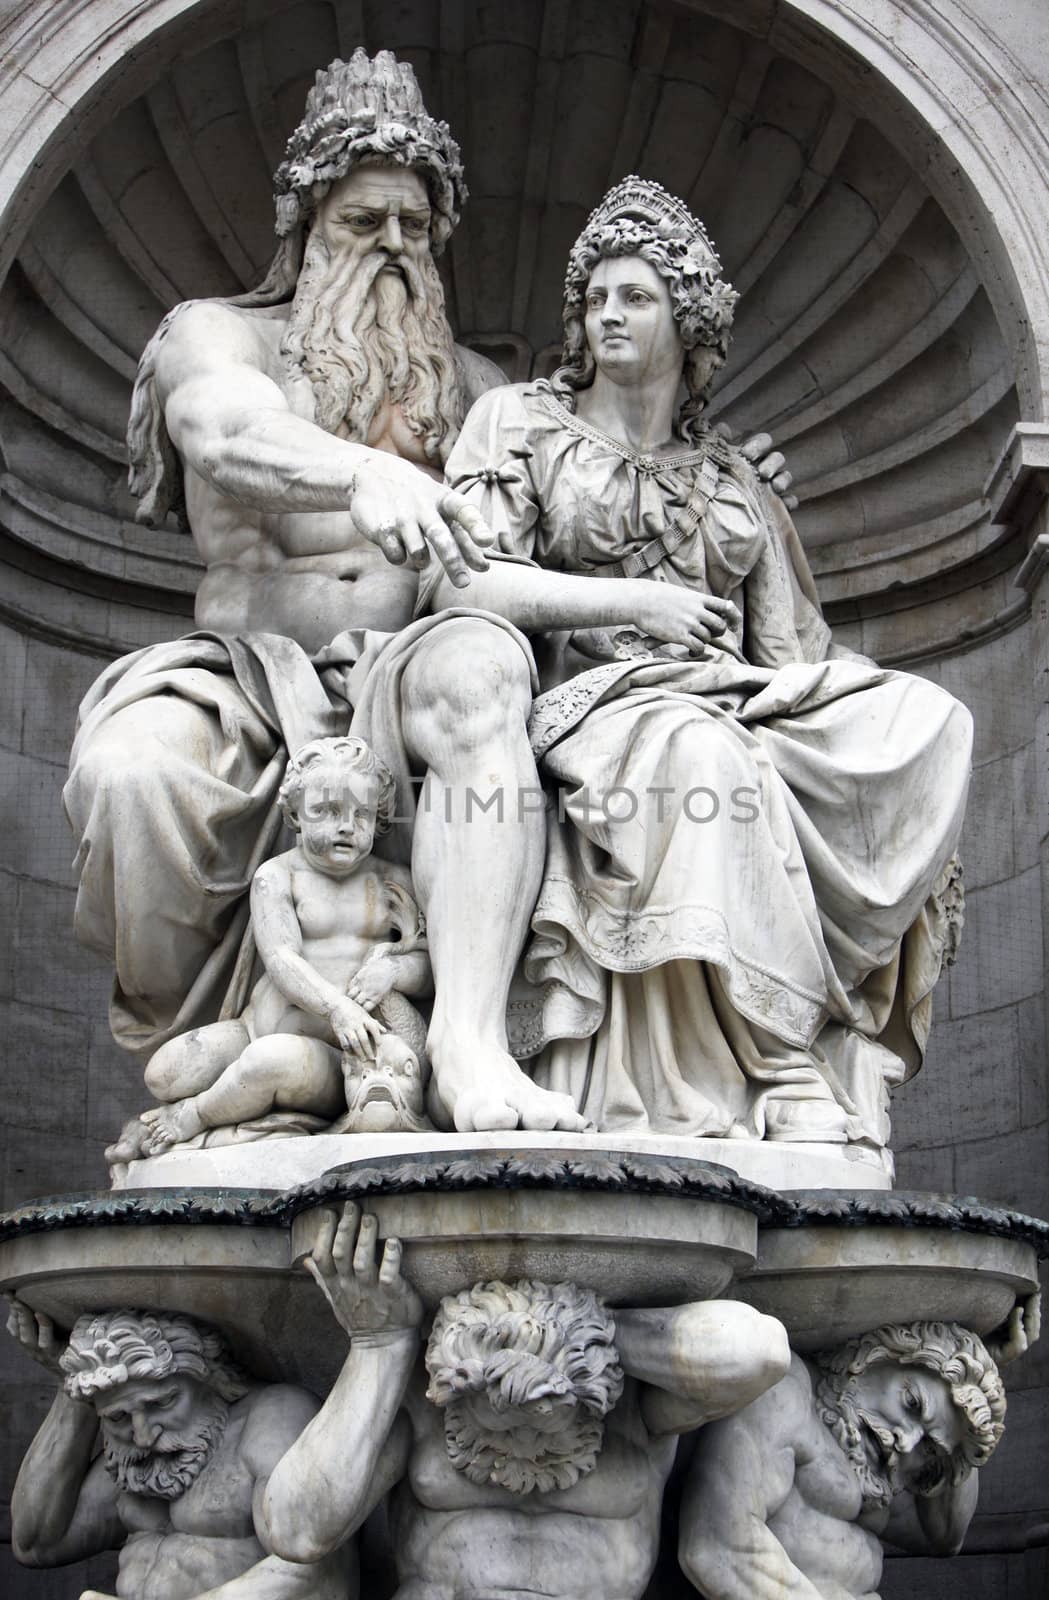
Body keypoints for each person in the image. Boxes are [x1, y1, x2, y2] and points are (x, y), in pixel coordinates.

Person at [65, 52, 790, 1139]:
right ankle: (223, 1030)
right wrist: (362, 470)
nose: (394, 248)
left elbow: (610, 464)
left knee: (479, 658)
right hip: (248, 675)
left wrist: (725, 468)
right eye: (364, 222)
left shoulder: (484, 391)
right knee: (131, 773)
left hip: (407, 683)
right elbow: (219, 430)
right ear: (304, 224)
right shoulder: (218, 337)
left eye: (415, 226)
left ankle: (465, 1044)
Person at [377, 175, 974, 1150]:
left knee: (924, 719)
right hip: (586, 700)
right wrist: (639, 601)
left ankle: (832, 1038)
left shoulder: (733, 483)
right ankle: (777, 1065)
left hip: (726, 695)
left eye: (634, 296)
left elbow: (789, 654)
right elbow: (466, 584)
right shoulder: (520, 425)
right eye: (594, 297)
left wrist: (808, 698)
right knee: (704, 755)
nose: (606, 314)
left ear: (684, 319)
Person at [260, 1203, 791, 1600]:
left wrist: (584, 1344)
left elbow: (758, 1354)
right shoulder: (425, 1409)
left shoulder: (632, 1408)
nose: (523, 1449)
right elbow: (296, 1530)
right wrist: (379, 1347)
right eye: (499, 1429)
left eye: (541, 1427)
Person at [133, 735, 431, 1155]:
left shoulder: (394, 880)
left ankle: (195, 1115)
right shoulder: (278, 876)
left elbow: (430, 965)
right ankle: (225, 1097)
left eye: (361, 814)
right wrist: (337, 1006)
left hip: (341, 1055)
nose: (346, 825)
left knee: (266, 1062)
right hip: (255, 1027)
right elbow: (280, 956)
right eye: (326, 811)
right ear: (295, 813)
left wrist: (396, 971)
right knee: (164, 1073)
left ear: (379, 817)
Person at [5, 1299, 359, 1599]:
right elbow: (36, 1543)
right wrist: (75, 1394)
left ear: (208, 1379)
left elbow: (319, 1578)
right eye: (118, 1416)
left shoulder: (269, 1419)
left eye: (163, 1403)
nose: (143, 1435)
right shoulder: (134, 1458)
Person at [677, 1310, 1035, 1599]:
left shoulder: (875, 1479)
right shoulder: (786, 1396)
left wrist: (979, 1377)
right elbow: (718, 1547)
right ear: (880, 1355)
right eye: (912, 1404)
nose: (906, 1442)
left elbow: (944, 1536)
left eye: (929, 1449)